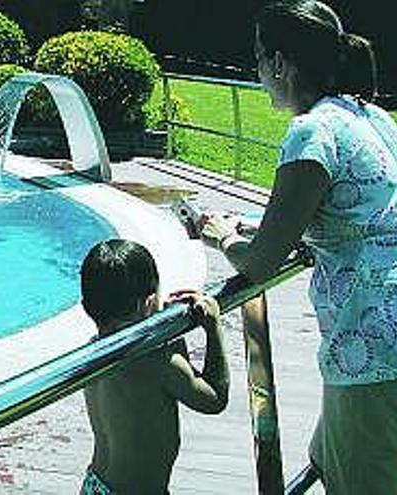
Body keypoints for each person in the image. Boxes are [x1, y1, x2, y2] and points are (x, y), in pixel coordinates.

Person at [198, 2, 397, 492]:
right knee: (325, 458)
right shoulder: (369, 117)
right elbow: (341, 215)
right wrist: (247, 224)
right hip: (381, 339)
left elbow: (262, 260)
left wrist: (221, 237)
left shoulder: (311, 131)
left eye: (259, 58)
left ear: (280, 64)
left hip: (370, 349)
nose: (259, 71)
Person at [79, 239, 229, 494]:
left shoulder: (94, 351)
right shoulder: (155, 362)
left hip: (95, 485)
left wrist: (167, 330)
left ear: (87, 307)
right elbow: (213, 399)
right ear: (148, 303)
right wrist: (213, 328)